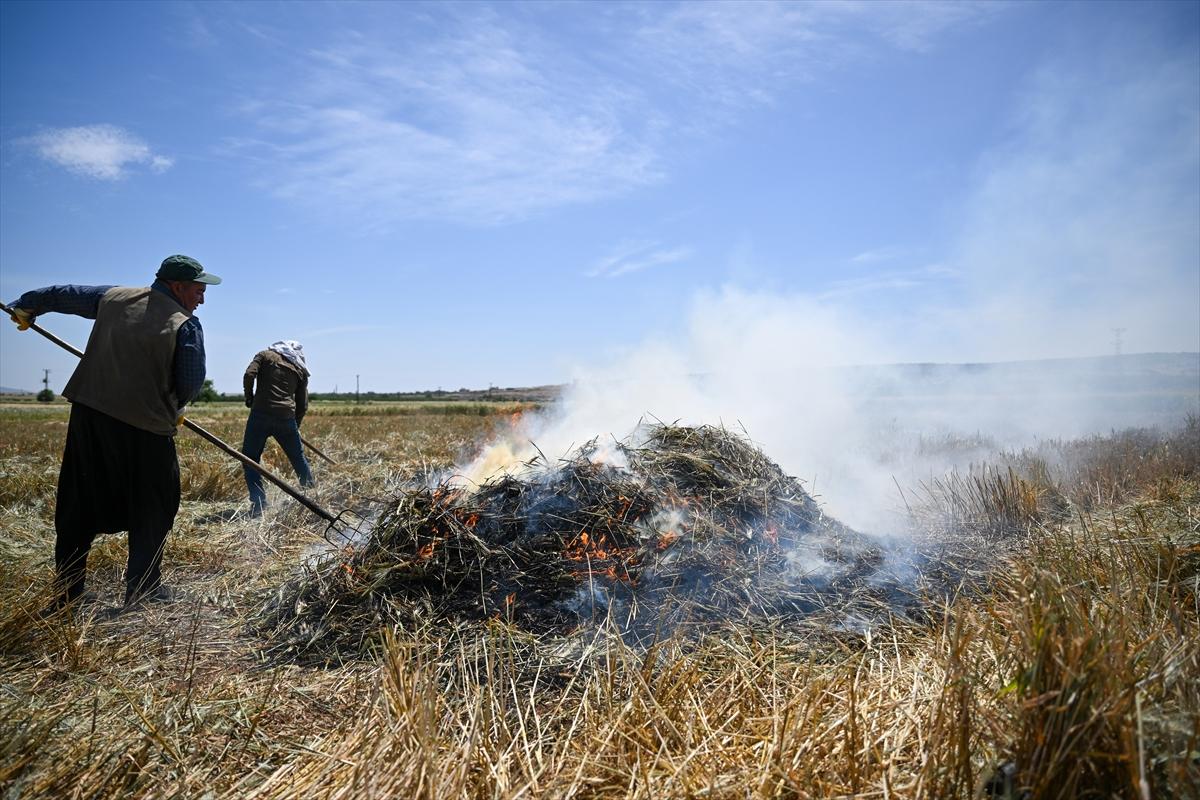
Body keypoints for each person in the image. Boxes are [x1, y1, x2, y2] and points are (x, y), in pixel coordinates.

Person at [6, 255, 220, 609]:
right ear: (179, 287)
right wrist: (177, 407)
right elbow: (189, 384)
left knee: (79, 502)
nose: (202, 299)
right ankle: (143, 588)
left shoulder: (113, 296)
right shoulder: (186, 324)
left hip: (90, 420)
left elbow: (64, 293)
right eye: (199, 290)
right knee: (155, 505)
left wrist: (27, 305)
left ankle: (67, 593)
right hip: (147, 429)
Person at [242, 340, 313, 516]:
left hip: (259, 415)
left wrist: (249, 398)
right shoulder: (298, 368)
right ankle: (313, 496)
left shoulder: (264, 355)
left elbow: (249, 374)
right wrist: (295, 426)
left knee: (250, 459)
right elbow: (302, 404)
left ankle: (259, 503)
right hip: (286, 419)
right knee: (298, 458)